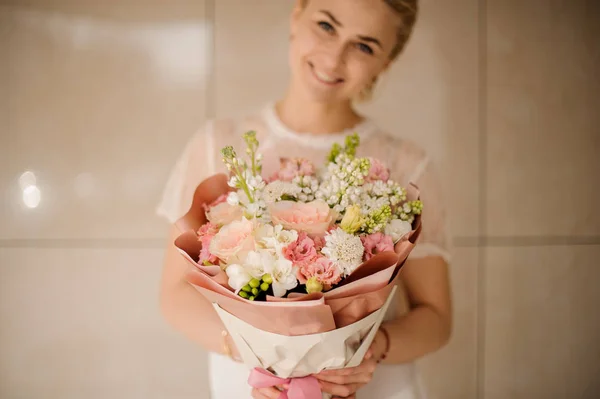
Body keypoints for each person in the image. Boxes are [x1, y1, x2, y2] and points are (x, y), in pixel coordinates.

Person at [156, 0, 452, 398]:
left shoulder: (406, 167)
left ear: (386, 62)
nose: (334, 57)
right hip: (251, 382)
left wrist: (369, 350)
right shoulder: (217, 144)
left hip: (372, 386)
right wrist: (254, 354)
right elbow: (175, 294)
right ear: (297, 15)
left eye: (364, 46)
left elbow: (435, 318)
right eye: (327, 26)